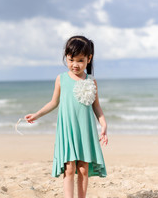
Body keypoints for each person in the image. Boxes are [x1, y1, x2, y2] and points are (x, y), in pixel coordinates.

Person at [24, 35, 108, 198]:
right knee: (69, 168)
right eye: (71, 60)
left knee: (83, 169)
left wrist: (104, 125)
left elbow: (96, 107)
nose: (75, 65)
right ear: (66, 57)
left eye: (80, 60)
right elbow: (53, 102)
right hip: (68, 129)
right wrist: (37, 114)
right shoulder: (61, 79)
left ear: (89, 59)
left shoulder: (91, 81)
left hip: (85, 130)